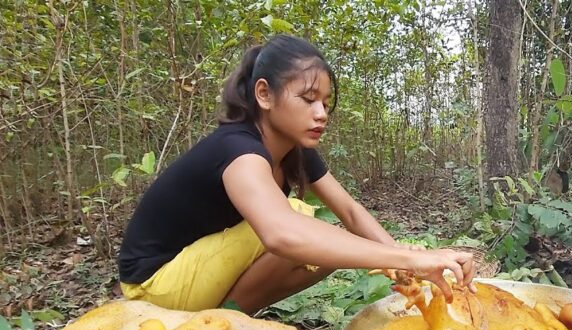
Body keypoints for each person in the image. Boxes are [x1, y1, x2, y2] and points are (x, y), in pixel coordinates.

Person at [118, 35, 475, 314]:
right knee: (298, 221)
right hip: (155, 287)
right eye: (307, 99)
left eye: (325, 101)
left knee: (326, 243)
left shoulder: (295, 150)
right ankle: (220, 325)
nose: (321, 113)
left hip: (196, 273)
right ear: (264, 95)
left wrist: (404, 263)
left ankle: (229, 317)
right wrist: (408, 257)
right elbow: (281, 234)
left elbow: (349, 212)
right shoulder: (237, 149)